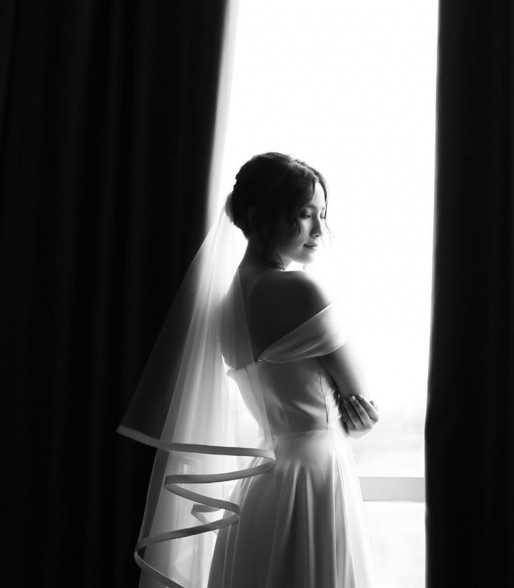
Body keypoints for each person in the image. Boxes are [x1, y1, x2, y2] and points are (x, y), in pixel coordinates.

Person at [119, 153, 379, 588]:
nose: (319, 230)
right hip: (317, 473)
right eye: (305, 214)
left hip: (265, 483)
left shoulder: (224, 308)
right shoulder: (302, 291)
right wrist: (357, 417)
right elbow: (361, 402)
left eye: (322, 215)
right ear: (261, 219)